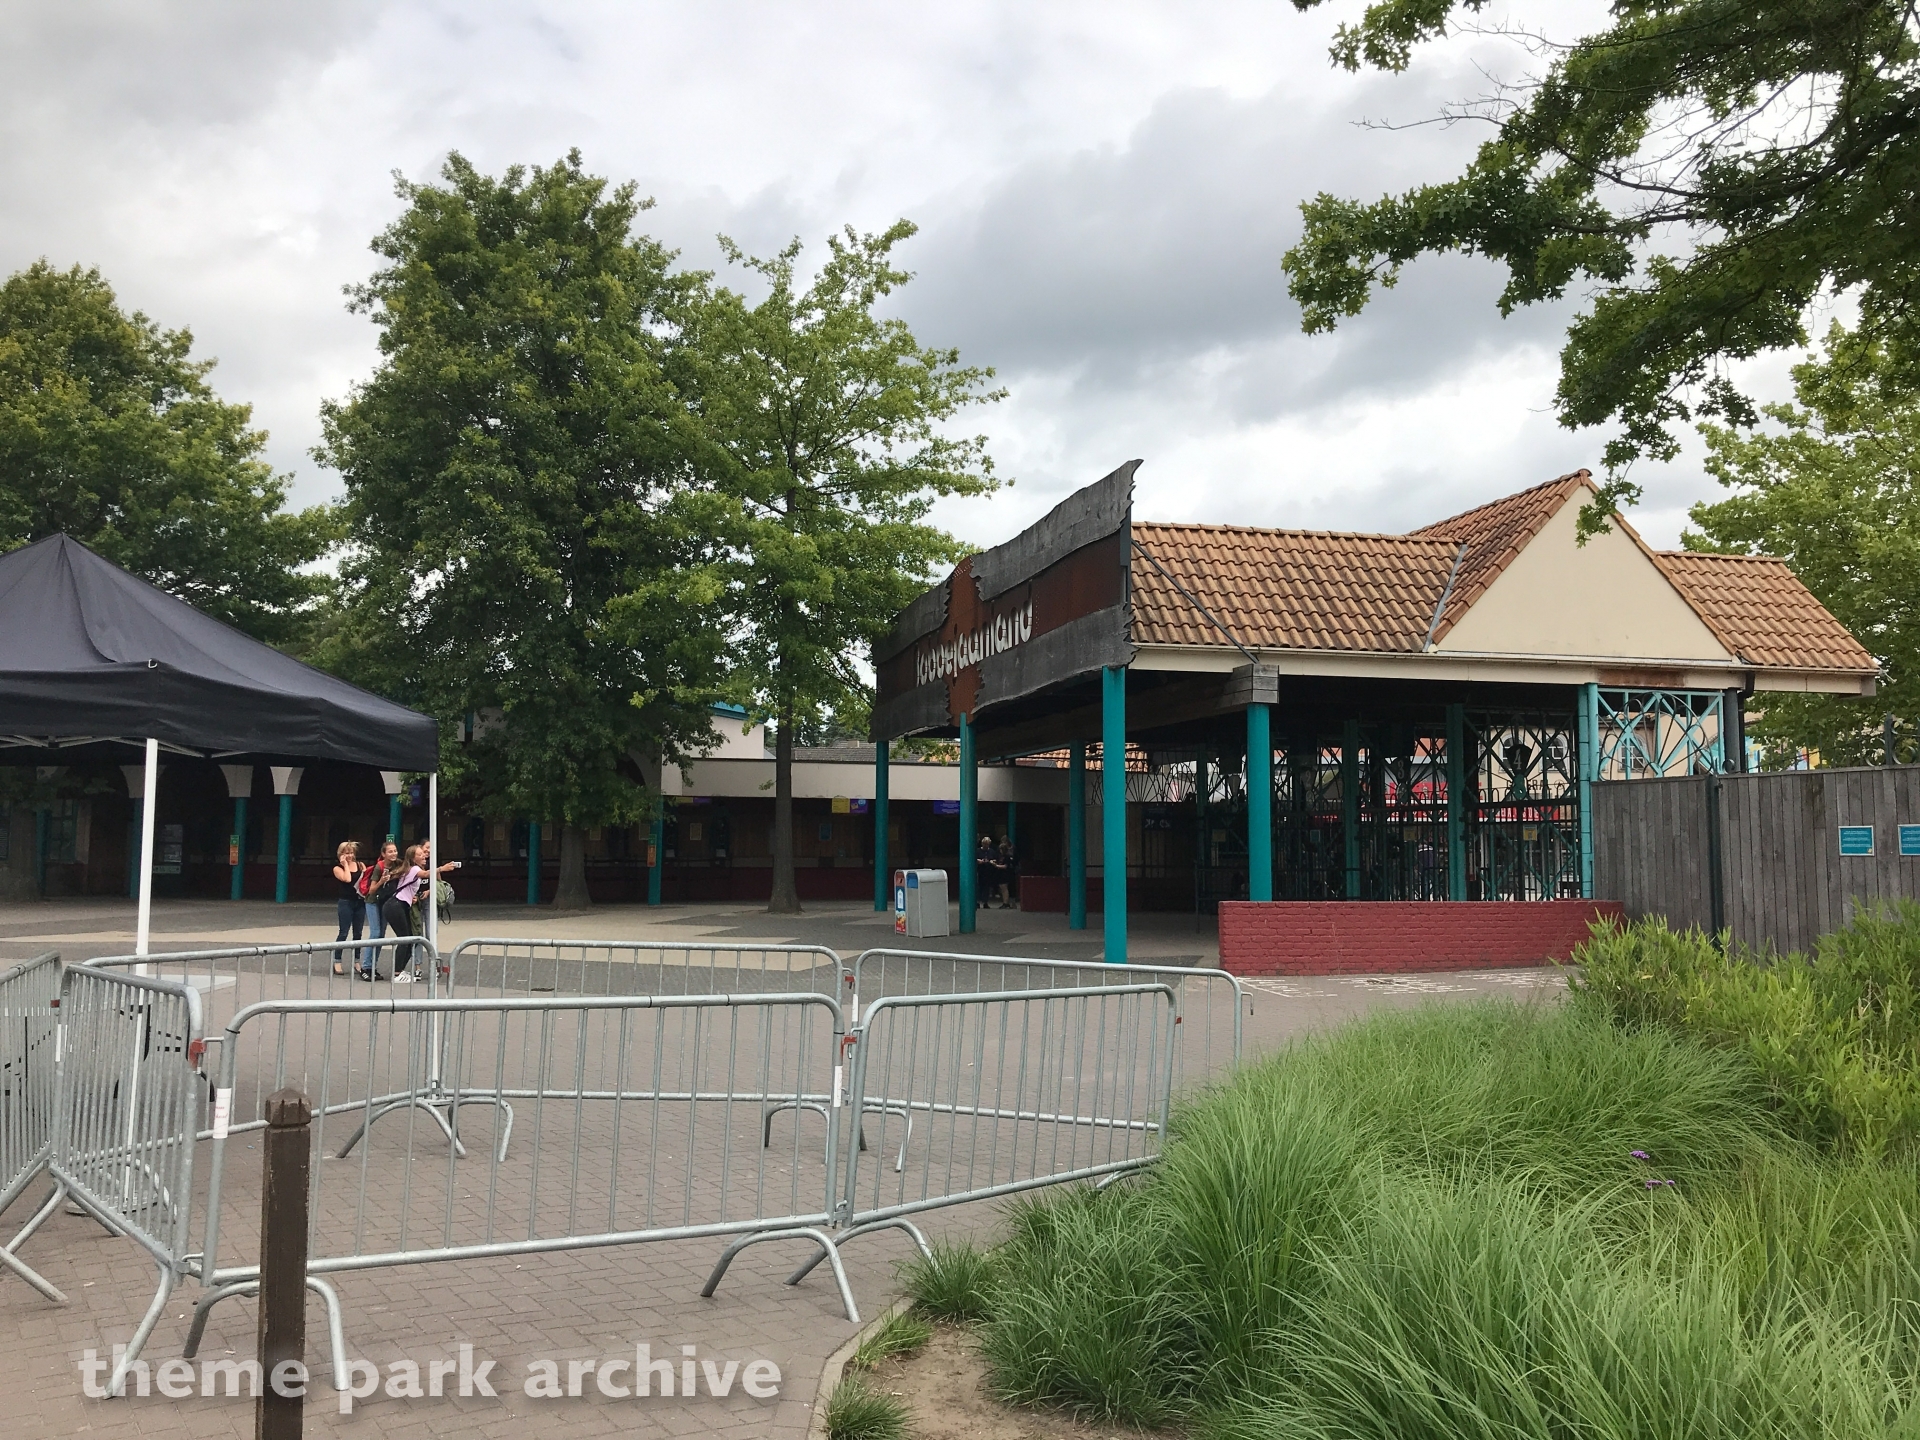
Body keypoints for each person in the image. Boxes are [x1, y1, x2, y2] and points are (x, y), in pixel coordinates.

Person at [358, 839, 401, 979]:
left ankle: (373, 967)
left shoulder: (398, 864)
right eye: (390, 851)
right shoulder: (379, 867)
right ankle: (366, 967)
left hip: (385, 902)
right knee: (375, 933)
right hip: (372, 901)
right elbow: (371, 890)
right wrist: (382, 880)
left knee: (381, 935)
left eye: (395, 851)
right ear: (383, 854)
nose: (393, 853)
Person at [331, 841, 365, 975]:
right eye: (346, 853)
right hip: (345, 902)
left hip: (359, 901)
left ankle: (357, 961)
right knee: (343, 932)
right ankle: (337, 961)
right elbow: (347, 878)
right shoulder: (337, 868)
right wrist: (345, 864)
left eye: (351, 853)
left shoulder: (360, 865)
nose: (350, 855)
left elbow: (365, 880)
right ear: (341, 854)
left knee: (358, 933)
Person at [997, 836, 1018, 910]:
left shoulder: (1007, 856)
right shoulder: (1004, 855)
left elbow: (1007, 865)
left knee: (1007, 888)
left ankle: (1008, 902)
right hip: (1007, 871)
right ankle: (1008, 902)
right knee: (1006, 888)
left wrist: (996, 865)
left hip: (1008, 872)